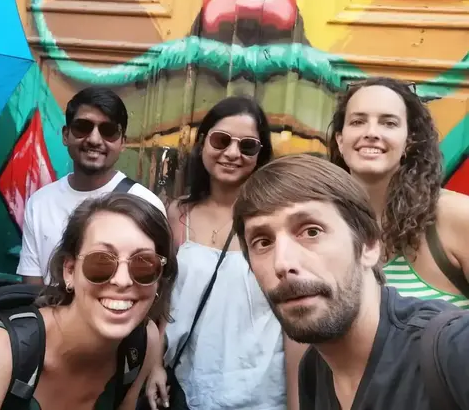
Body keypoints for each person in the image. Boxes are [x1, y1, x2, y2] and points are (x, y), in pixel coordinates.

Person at [233, 154, 469, 409]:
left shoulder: (452, 348)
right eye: (263, 242)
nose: (282, 263)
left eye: (311, 231)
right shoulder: (313, 370)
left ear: (369, 245)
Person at [0, 193, 178, 409]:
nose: (122, 280)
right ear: (69, 271)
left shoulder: (142, 343)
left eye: (144, 265)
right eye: (101, 262)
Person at [145, 96, 301, 410]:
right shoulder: (177, 215)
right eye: (221, 140)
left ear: (260, 155)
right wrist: (154, 365)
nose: (232, 153)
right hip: (186, 388)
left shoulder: (276, 220)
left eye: (247, 146)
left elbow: (294, 316)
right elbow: (161, 299)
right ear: (203, 143)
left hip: (261, 393)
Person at [328, 77, 469, 307]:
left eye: (389, 123)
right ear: (340, 140)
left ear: (409, 141)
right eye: (358, 121)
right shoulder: (321, 223)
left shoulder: (457, 216)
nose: (371, 132)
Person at [17, 86, 166, 285]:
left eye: (108, 131)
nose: (94, 139)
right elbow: (32, 290)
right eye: (82, 127)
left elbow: (153, 285)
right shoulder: (39, 203)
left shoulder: (146, 203)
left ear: (122, 142)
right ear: (65, 135)